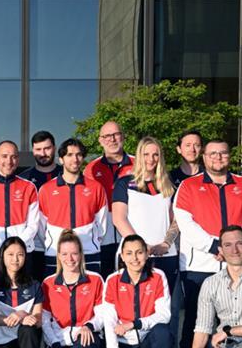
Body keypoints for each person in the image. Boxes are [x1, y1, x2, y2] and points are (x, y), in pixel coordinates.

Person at [173, 139, 242, 348]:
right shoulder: (189, 186)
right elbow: (185, 221)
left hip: (236, 266)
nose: (217, 158)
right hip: (199, 266)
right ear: (204, 157)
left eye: (222, 153)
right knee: (195, 319)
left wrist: (233, 246)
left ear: (229, 156)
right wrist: (214, 246)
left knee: (237, 320)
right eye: (212, 154)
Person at [102, 234, 174, 348]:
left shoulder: (158, 276)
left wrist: (134, 323)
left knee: (163, 332)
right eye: (129, 253)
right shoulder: (112, 280)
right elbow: (109, 323)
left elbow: (165, 315)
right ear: (122, 256)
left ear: (147, 254)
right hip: (124, 344)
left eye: (139, 252)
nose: (135, 258)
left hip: (148, 339)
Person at [112, 136, 179, 309]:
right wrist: (140, 247)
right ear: (139, 156)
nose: (151, 159)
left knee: (164, 309)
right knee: (133, 307)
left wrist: (166, 243)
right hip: (133, 255)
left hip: (165, 254)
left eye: (155, 155)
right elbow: (119, 218)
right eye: (146, 154)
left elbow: (177, 219)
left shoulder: (168, 184)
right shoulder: (125, 183)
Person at [41, 230, 107, 348]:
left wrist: (89, 326)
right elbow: (45, 320)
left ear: (81, 255)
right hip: (61, 344)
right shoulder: (48, 283)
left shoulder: (95, 279)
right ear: (58, 255)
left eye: (74, 254)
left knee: (84, 343)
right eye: (65, 254)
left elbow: (102, 314)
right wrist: (55, 346)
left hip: (87, 339)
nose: (70, 259)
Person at [39, 138, 108, 277]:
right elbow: (41, 227)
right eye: (69, 155)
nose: (75, 159)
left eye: (79, 154)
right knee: (56, 296)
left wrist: (90, 242)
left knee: (90, 296)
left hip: (88, 252)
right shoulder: (46, 189)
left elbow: (102, 225)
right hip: (55, 253)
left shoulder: (96, 188)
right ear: (61, 159)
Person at [84, 121, 134, 278]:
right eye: (106, 136)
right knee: (105, 278)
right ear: (100, 140)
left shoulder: (139, 163)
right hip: (102, 235)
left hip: (131, 228)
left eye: (116, 134)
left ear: (123, 136)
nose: (112, 139)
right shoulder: (91, 168)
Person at [20, 130, 62, 279]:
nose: (43, 153)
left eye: (47, 148)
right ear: (33, 151)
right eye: (38, 149)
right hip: (33, 247)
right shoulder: (24, 179)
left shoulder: (66, 174)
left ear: (54, 148)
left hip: (60, 247)